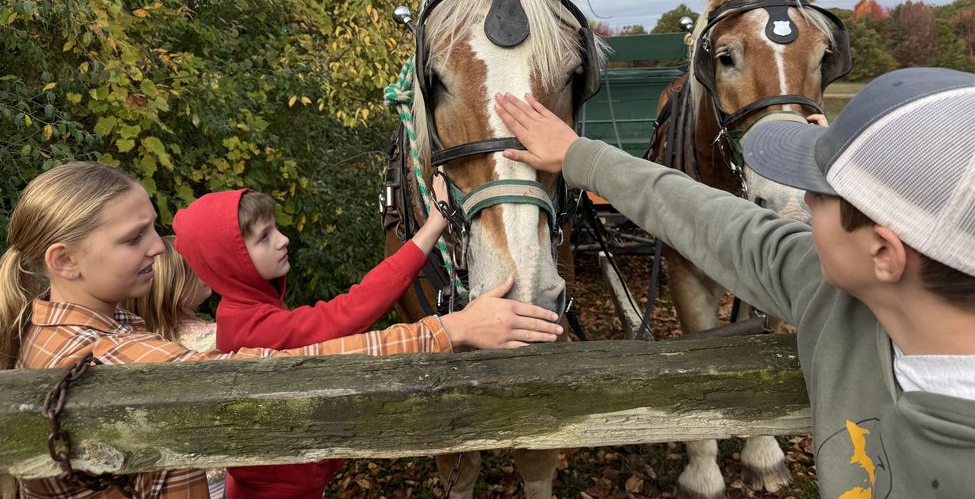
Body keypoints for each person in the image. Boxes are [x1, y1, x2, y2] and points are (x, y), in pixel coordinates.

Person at [494, 67, 975, 498]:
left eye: (820, 192)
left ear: (883, 253)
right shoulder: (845, 291)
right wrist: (580, 156)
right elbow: (728, 228)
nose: (801, 200)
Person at [0, 162, 563, 499]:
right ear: (63, 261)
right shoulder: (118, 355)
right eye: (134, 238)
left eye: (154, 229)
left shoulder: (52, 321)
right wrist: (450, 328)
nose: (158, 249)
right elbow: (316, 343)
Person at [171, 174, 458, 499]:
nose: (283, 240)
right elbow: (348, 312)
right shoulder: (250, 326)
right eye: (265, 237)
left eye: (275, 228)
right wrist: (434, 225)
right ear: (231, 264)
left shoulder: (243, 308)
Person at [123, 240, 225, 498]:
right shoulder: (213, 339)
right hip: (220, 475)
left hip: (167, 479)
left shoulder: (138, 345)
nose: (204, 270)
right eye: (193, 267)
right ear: (173, 285)